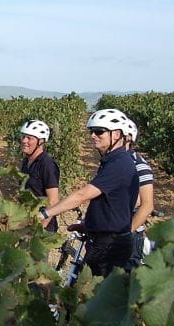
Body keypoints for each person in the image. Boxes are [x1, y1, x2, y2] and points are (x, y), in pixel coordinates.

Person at [38, 109, 138, 276]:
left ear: (117, 134)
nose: (93, 135)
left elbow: (82, 195)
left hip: (110, 245)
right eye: (92, 131)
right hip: (103, 239)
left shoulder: (119, 163)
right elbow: (113, 203)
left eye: (99, 132)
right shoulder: (111, 160)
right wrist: (90, 225)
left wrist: (45, 213)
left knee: (97, 295)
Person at [124, 118, 155, 267]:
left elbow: (146, 205)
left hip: (128, 237)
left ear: (128, 138)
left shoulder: (139, 166)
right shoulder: (109, 164)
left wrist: (126, 233)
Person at [19, 120, 60, 232]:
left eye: (29, 138)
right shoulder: (26, 161)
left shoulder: (47, 164)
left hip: (42, 225)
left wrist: (40, 228)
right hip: (27, 222)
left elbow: (53, 201)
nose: (24, 141)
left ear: (40, 142)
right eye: (23, 136)